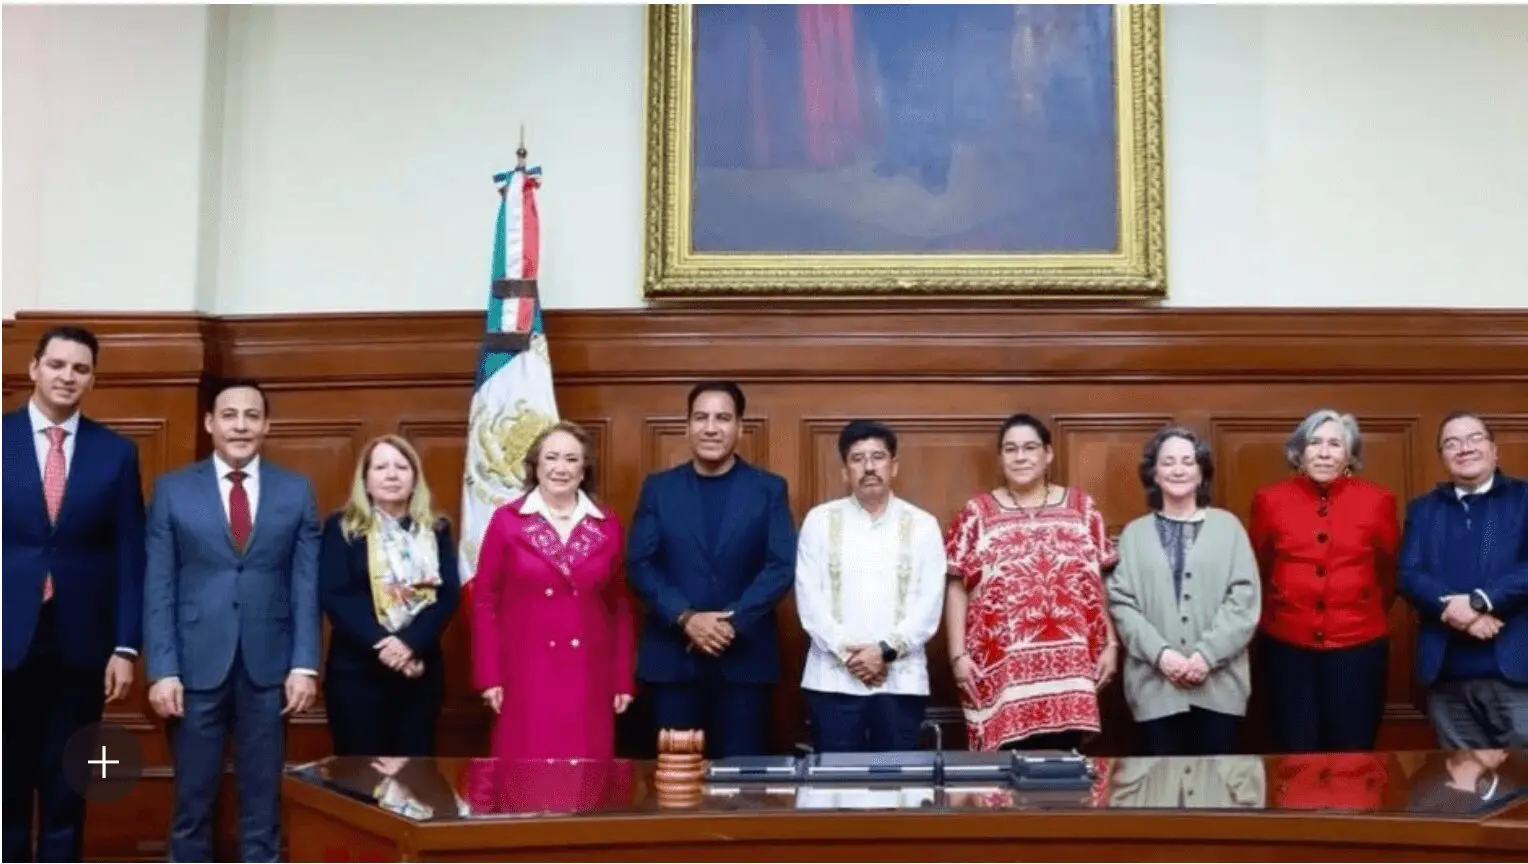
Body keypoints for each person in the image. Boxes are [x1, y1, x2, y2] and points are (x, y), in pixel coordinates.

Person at [143, 378, 321, 862]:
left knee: (263, 805)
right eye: (229, 415)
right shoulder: (173, 490)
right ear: (210, 423)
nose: (240, 426)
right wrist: (162, 669)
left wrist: (304, 664)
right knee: (192, 804)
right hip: (192, 668)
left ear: (266, 426)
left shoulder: (296, 491)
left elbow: (305, 584)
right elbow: (158, 585)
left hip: (270, 669)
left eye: (251, 416)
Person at [3, 325, 145, 863]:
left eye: (80, 369)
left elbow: (130, 556)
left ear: (92, 380)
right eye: (57, 364)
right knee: (6, 788)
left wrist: (125, 646)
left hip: (81, 647)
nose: (67, 376)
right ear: (34, 368)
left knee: (68, 787)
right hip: (7, 640)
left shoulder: (116, 453)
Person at [626, 381, 798, 758]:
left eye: (722, 418)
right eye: (701, 417)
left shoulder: (769, 489)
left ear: (739, 426)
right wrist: (686, 618)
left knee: (740, 783)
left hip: (744, 664)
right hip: (673, 662)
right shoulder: (659, 489)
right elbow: (640, 562)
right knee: (675, 779)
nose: (710, 428)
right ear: (687, 426)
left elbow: (780, 565)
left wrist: (728, 623)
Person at [944, 413, 1120, 752]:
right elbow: (956, 586)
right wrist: (957, 655)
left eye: (1029, 448)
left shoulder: (1082, 509)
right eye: (1011, 449)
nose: (1020, 457)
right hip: (1001, 671)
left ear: (1048, 454)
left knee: (1064, 771)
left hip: (1071, 671)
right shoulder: (976, 512)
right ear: (1001, 457)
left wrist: (1111, 644)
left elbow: (1097, 583)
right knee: (1007, 773)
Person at [471, 421, 635, 760]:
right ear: (536, 465)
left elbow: (619, 607)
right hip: (525, 673)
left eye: (571, 459)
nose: (561, 468)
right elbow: (484, 600)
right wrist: (490, 675)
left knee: (584, 774)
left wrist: (622, 679)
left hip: (589, 675)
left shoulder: (607, 525)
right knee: (527, 771)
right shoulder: (507, 521)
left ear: (584, 469)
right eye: (552, 457)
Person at [1249, 408, 1400, 753]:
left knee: (1352, 751)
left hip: (1357, 647)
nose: (1324, 452)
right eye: (1314, 443)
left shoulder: (1378, 501)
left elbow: (1387, 571)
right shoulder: (1269, 500)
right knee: (1294, 749)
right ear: (1299, 452)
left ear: (1350, 455)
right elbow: (1261, 566)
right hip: (1288, 646)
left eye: (1335, 444)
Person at [1107, 427, 1261, 756]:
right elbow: (1122, 604)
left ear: (1201, 472)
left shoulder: (1229, 527)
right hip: (1154, 689)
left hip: (1220, 688)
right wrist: (1162, 655)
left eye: (1188, 462)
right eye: (1168, 462)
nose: (1178, 470)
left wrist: (1206, 656)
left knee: (1218, 781)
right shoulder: (1134, 534)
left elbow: (1244, 599)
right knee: (1159, 782)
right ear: (1154, 473)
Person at [794, 420, 946, 753]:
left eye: (878, 457)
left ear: (894, 466)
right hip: (833, 682)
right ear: (845, 471)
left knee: (897, 779)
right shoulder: (819, 522)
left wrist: (884, 652)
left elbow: (929, 604)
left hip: (900, 683)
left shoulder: (923, 525)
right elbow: (809, 600)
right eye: (858, 458)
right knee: (835, 780)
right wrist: (851, 656)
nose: (869, 467)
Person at [319, 434, 460, 757]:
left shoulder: (435, 529)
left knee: (414, 774)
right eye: (381, 467)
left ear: (415, 478)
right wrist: (384, 645)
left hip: (418, 671)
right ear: (365, 480)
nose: (392, 475)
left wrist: (409, 643)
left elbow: (447, 593)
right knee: (360, 775)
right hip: (357, 673)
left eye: (401, 467)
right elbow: (336, 594)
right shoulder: (343, 527)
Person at [1398, 412, 1528, 749]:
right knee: (1461, 778)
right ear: (1442, 456)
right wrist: (1462, 614)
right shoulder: (1423, 510)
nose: (1464, 448)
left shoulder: (1524, 499)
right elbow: (1409, 574)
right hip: (1447, 677)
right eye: (1451, 443)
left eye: (1474, 438)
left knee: (1522, 776)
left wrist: (1481, 600)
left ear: (1494, 449)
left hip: (1516, 674)